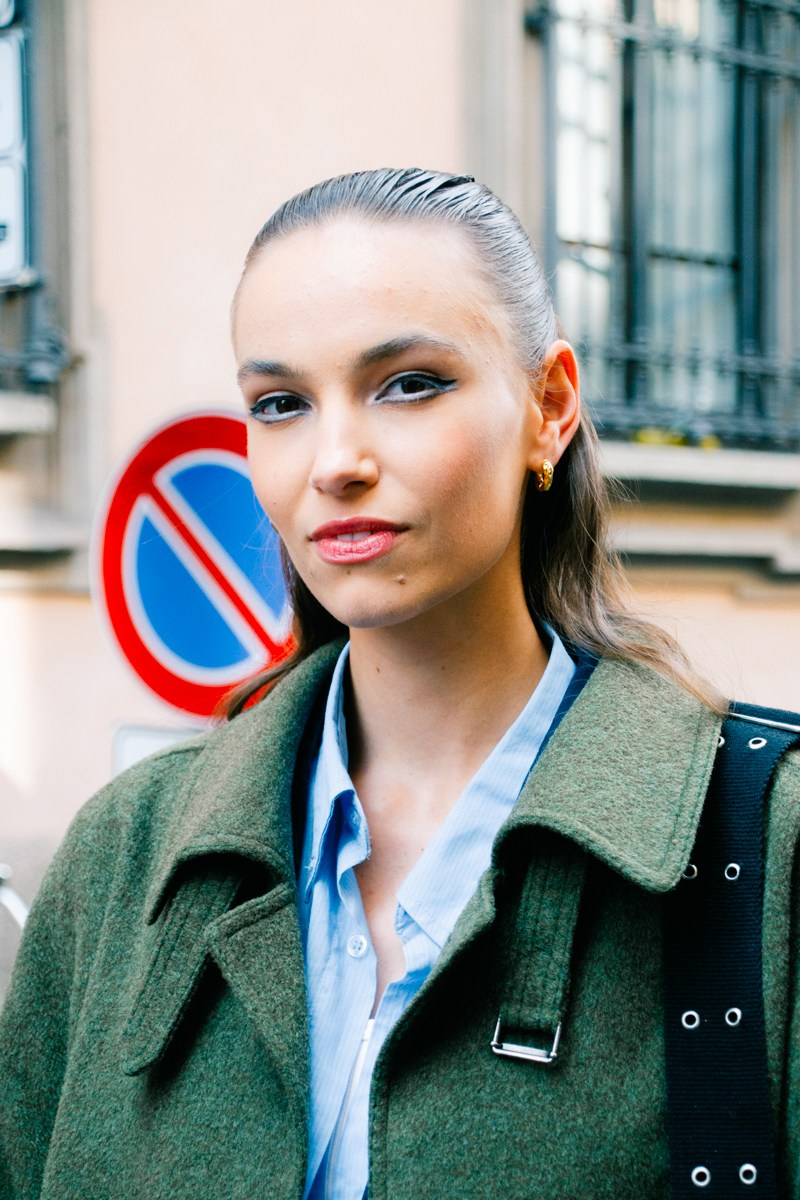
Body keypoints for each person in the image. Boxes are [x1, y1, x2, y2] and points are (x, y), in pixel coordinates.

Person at [1, 168, 798, 1200]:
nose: (334, 459)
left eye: (409, 383)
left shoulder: (767, 845)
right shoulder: (122, 855)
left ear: (548, 407)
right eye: (280, 403)